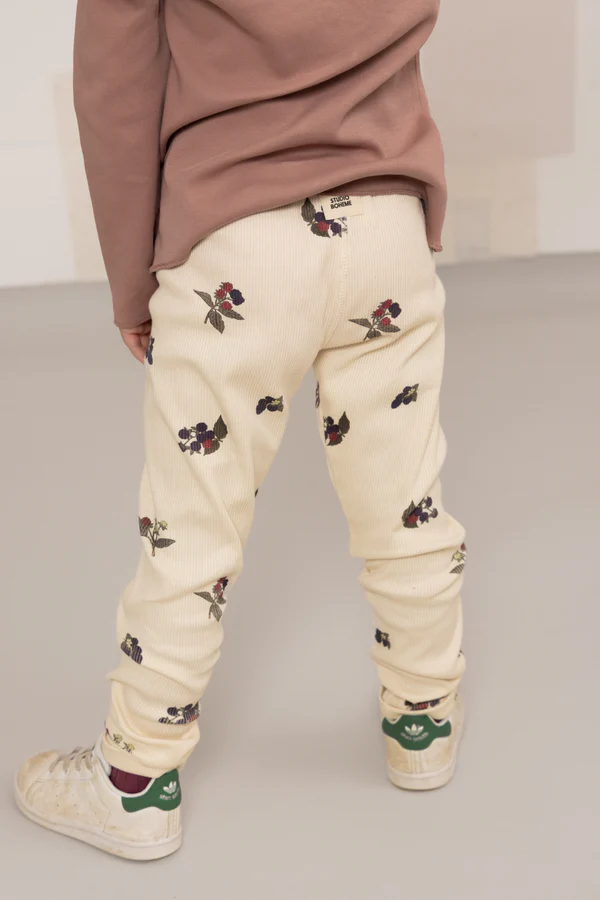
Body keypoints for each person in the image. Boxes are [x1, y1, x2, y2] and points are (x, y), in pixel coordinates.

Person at [14, 0, 467, 859]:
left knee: (193, 525)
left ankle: (135, 782)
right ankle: (424, 724)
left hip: (237, 236)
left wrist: (132, 281)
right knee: (404, 500)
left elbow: (115, 84)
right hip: (387, 222)